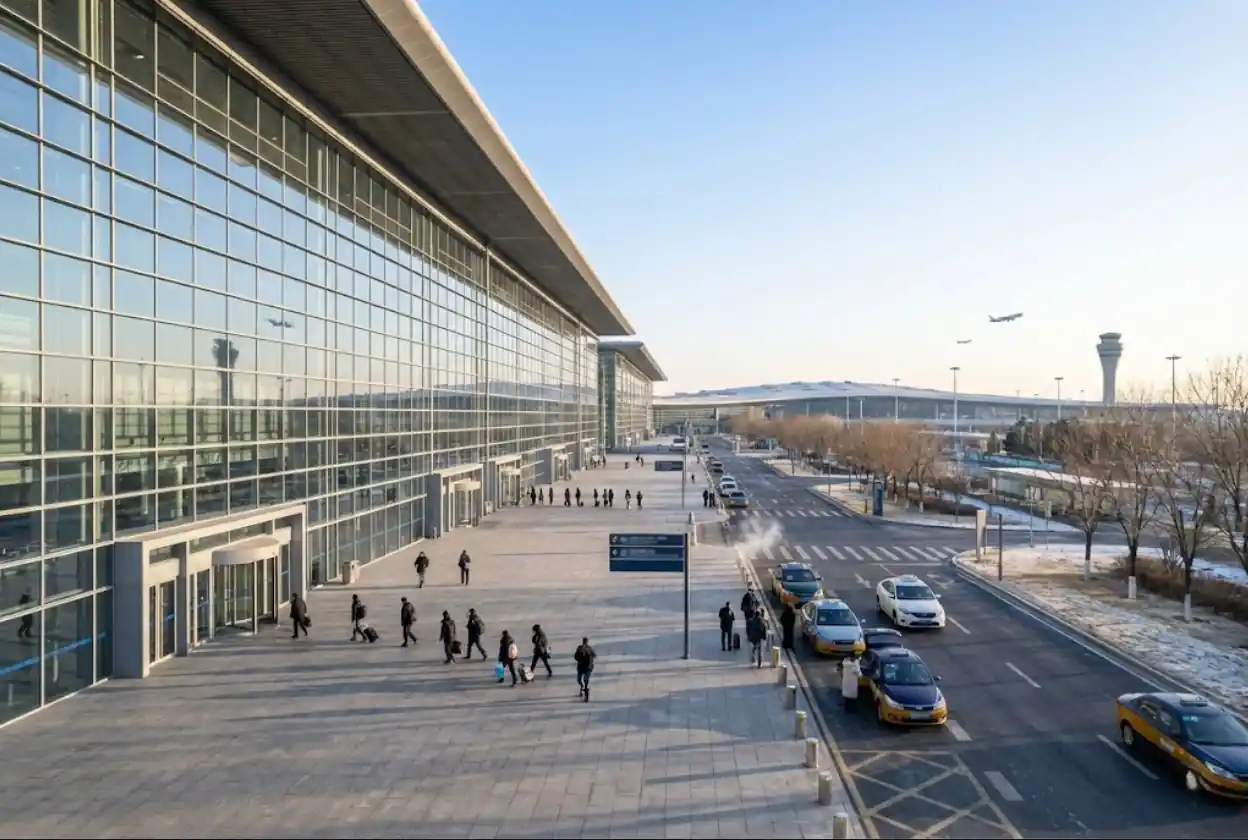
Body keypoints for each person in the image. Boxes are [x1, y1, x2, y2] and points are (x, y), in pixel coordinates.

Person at [574, 636, 597, 701]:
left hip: (587, 667)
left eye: (585, 642)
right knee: (579, 680)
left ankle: (586, 692)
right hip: (581, 667)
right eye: (584, 642)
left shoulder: (589, 648)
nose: (584, 643)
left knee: (585, 680)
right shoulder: (579, 648)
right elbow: (576, 656)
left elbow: (594, 655)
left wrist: (591, 658)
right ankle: (582, 687)